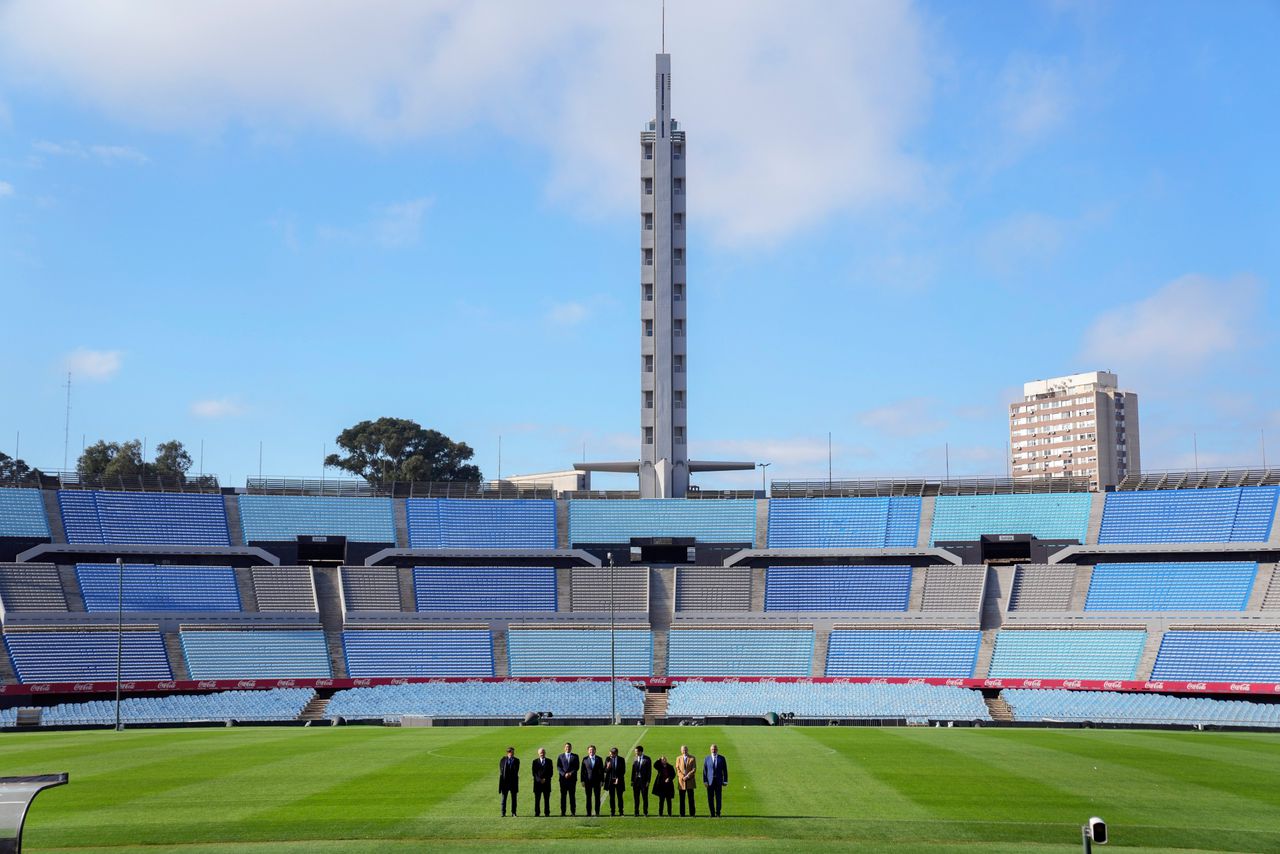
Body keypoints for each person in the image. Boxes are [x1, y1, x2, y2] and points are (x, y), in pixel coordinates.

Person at [703, 743, 728, 817]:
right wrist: (705, 781)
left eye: (715, 749)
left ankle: (718, 813)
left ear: (717, 750)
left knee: (718, 798)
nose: (714, 750)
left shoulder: (722, 758)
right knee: (710, 798)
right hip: (710, 782)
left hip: (718, 781)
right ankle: (712, 813)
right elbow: (705, 771)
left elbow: (725, 770)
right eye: (712, 749)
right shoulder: (707, 758)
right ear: (710, 750)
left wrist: (725, 780)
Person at [557, 742, 580, 816]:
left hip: (572, 779)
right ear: (564, 748)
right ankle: (563, 812)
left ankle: (573, 812)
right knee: (563, 796)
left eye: (569, 747)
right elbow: (559, 767)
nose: (568, 748)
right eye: (566, 747)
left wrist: (570, 773)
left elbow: (577, 767)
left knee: (572, 796)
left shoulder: (575, 756)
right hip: (563, 780)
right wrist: (564, 774)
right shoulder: (560, 756)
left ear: (571, 748)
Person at [580, 744, 604, 817]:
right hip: (588, 782)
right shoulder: (585, 759)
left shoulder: (599, 759)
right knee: (588, 798)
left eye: (593, 750)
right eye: (590, 750)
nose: (591, 751)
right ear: (588, 751)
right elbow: (582, 771)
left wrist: (602, 781)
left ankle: (597, 812)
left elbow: (602, 771)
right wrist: (582, 781)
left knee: (597, 797)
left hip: (597, 782)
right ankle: (588, 813)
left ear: (595, 751)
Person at [603, 747, 627, 816]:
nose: (610, 755)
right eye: (610, 754)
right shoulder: (608, 759)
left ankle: (621, 812)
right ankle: (612, 812)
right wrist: (607, 767)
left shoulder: (621, 759)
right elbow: (604, 770)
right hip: (610, 781)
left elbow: (623, 771)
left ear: (616, 753)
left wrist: (618, 778)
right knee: (612, 797)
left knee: (620, 797)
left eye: (611, 754)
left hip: (619, 780)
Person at [675, 744, 697, 817]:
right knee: (682, 799)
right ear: (681, 751)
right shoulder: (678, 758)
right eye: (683, 750)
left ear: (687, 750)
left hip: (690, 781)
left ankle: (692, 813)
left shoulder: (692, 758)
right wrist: (682, 777)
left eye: (685, 749)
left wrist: (687, 776)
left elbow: (694, 769)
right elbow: (677, 769)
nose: (684, 751)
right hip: (681, 782)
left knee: (691, 799)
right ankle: (682, 814)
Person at [531, 748, 553, 817]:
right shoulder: (535, 762)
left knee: (546, 799)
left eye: (543, 752)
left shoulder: (549, 761)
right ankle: (537, 813)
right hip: (537, 784)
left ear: (545, 753)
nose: (542, 753)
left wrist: (545, 779)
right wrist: (539, 780)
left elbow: (551, 773)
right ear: (538, 753)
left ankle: (547, 813)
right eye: (541, 752)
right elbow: (534, 773)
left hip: (546, 783)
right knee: (537, 800)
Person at [631, 744, 652, 816]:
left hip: (644, 781)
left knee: (644, 798)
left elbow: (649, 771)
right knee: (636, 798)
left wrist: (648, 781)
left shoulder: (647, 759)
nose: (635, 753)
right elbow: (633, 771)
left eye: (636, 751)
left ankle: (645, 812)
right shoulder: (635, 758)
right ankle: (636, 812)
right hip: (636, 781)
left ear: (640, 751)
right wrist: (632, 780)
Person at [498, 747, 520, 817]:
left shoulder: (516, 760)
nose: (513, 753)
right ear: (508, 752)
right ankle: (503, 813)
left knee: (514, 799)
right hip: (505, 782)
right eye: (512, 752)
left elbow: (516, 770)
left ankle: (514, 812)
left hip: (513, 782)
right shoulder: (503, 760)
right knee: (504, 799)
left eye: (513, 752)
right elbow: (501, 771)